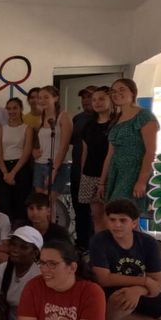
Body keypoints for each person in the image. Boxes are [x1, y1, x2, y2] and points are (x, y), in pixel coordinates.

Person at [100, 77, 159, 213]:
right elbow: (110, 154)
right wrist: (102, 182)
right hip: (116, 171)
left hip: (134, 172)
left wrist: (142, 181)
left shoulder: (144, 116)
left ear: (133, 92)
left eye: (122, 90)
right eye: (113, 91)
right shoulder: (116, 119)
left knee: (126, 213)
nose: (117, 94)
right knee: (113, 212)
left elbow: (150, 151)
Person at [33, 86, 74, 218]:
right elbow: (39, 141)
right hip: (40, 164)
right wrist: (34, 151)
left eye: (46, 97)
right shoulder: (41, 118)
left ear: (55, 98)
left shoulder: (63, 116)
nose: (42, 100)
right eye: (40, 98)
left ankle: (52, 228)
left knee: (49, 201)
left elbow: (64, 146)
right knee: (40, 202)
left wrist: (54, 170)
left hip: (58, 165)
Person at [79, 86, 114, 239]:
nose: (97, 102)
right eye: (94, 100)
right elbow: (85, 150)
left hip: (109, 175)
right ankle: (100, 246)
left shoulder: (115, 124)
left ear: (110, 100)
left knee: (110, 215)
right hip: (89, 174)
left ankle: (113, 248)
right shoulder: (89, 124)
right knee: (96, 215)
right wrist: (82, 172)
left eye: (101, 99)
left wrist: (103, 180)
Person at [0, 97, 34, 223]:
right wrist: (5, 173)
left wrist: (13, 173)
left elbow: (27, 152)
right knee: (5, 204)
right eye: (9, 109)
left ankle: (20, 231)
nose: (12, 111)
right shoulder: (1, 128)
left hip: (21, 168)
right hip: (4, 169)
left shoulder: (27, 128)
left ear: (21, 109)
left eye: (15, 108)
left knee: (21, 203)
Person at [70, 88, 97, 249]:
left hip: (96, 172)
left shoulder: (104, 119)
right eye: (84, 97)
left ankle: (95, 245)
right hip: (76, 170)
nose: (86, 100)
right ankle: (82, 244)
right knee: (79, 207)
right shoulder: (77, 119)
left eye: (90, 97)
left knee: (95, 211)